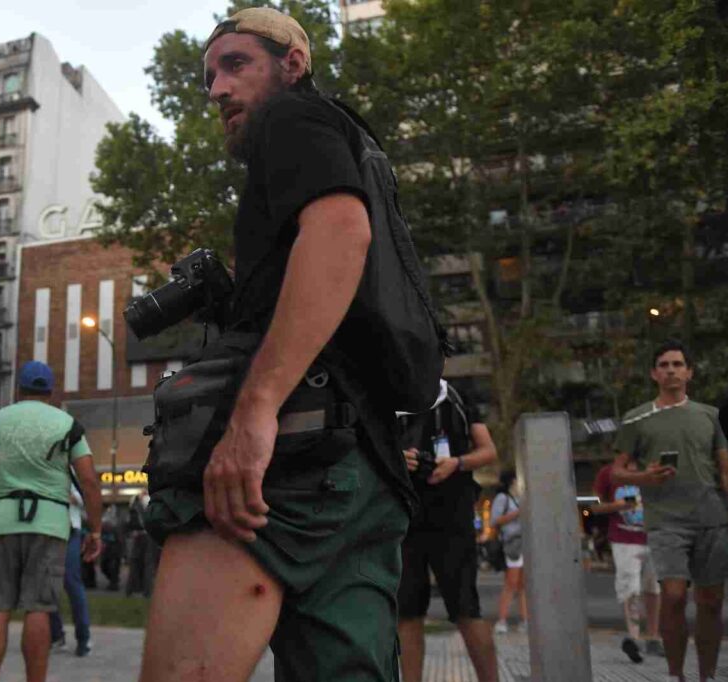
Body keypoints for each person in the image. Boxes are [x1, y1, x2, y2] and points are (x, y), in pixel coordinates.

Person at [139, 9, 420, 681]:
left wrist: (256, 409)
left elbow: (340, 233)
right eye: (209, 77)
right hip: (364, 473)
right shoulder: (358, 146)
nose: (217, 89)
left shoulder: (290, 117)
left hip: (286, 464)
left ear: (292, 64)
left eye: (236, 64)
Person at [0, 361, 103, 682]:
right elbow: (89, 481)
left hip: (2, 521)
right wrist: (95, 530)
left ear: (18, 390)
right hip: (50, 524)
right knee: (38, 608)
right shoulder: (68, 425)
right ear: (51, 392)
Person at [612, 341, 728, 682]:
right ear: (654, 374)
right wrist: (645, 477)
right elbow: (617, 472)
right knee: (674, 594)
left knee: (711, 601)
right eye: (664, 365)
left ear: (689, 372)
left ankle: (707, 675)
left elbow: (726, 469)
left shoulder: (710, 415)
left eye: (678, 364)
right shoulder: (637, 418)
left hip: (712, 518)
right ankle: (674, 674)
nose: (671, 370)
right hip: (666, 521)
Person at [398, 379, 499, 682]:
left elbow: (488, 451)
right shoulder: (390, 393)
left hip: (452, 515)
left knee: (466, 608)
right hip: (404, 515)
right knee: (406, 612)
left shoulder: (453, 395)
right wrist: (395, 458)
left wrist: (456, 462)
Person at [591, 460, 663, 662]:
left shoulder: (651, 466)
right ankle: (634, 637)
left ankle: (653, 637)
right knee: (631, 588)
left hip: (654, 536)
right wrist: (617, 506)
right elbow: (593, 507)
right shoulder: (608, 472)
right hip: (624, 539)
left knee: (654, 588)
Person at [48, 484, 93, 656]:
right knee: (48, 585)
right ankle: (56, 636)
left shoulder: (69, 472)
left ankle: (83, 638)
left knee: (71, 581)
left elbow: (83, 498)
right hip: (46, 530)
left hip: (69, 530)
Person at [491, 470, 526, 634]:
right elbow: (495, 521)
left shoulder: (520, 498)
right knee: (511, 583)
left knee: (523, 585)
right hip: (512, 544)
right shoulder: (502, 498)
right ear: (512, 481)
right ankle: (502, 620)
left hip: (524, 544)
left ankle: (525, 620)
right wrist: (518, 513)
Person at [125, 488, 160, 598]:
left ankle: (130, 589)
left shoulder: (133, 502)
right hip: (148, 535)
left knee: (134, 562)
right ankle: (147, 591)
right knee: (149, 563)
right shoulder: (149, 500)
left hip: (137, 535)